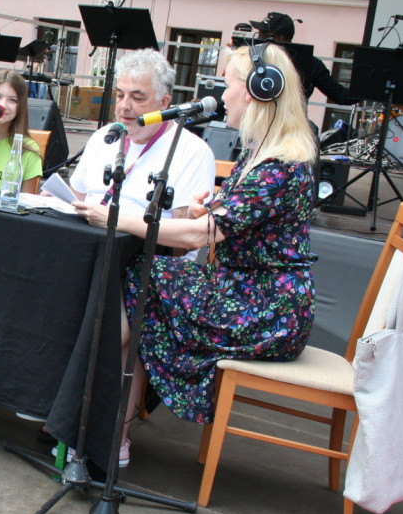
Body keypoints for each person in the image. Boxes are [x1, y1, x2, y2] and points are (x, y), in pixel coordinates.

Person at [76, 43, 318, 467]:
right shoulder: (260, 152)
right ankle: (108, 428)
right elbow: (225, 219)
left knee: (141, 280)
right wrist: (212, 203)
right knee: (142, 284)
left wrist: (118, 218)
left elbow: (197, 237)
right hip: (244, 288)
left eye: (229, 86)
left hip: (269, 306)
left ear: (262, 91)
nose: (223, 97)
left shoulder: (283, 164)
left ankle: (100, 423)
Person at [68, 48, 216, 225]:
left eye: (137, 98)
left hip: (143, 249)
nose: (124, 106)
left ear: (163, 102)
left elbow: (183, 241)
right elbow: (75, 197)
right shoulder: (103, 136)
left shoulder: (193, 151)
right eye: (121, 95)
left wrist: (114, 221)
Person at [250, 12, 358, 107]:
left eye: (262, 35)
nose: (258, 39)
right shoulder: (251, 56)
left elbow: (340, 95)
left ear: (279, 39)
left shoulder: (310, 64)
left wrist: (367, 87)